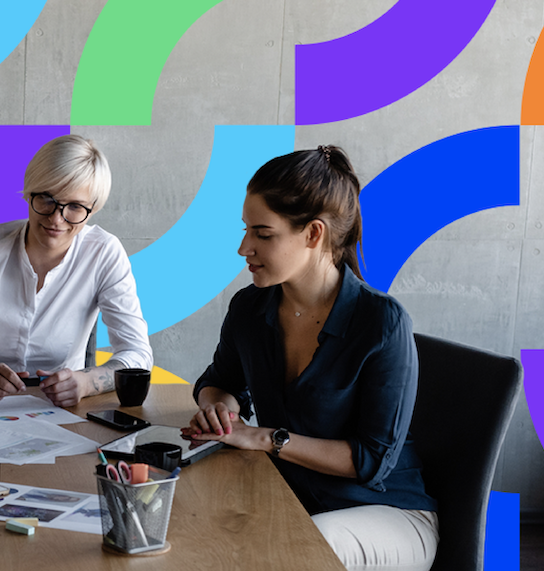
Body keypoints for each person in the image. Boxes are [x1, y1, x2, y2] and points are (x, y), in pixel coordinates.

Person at [184, 146, 439, 571]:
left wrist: (266, 438)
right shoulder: (250, 308)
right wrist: (219, 410)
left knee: (293, 551)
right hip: (292, 499)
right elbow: (221, 382)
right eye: (246, 230)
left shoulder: (381, 322)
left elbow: (370, 462)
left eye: (263, 234)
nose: (244, 247)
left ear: (314, 234)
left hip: (386, 511)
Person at [0, 134, 153, 407]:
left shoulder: (104, 253)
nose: (56, 219)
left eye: (75, 207)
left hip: (62, 412)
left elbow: (137, 355)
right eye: (46, 199)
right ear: (28, 193)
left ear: (92, 210)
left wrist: (84, 383)